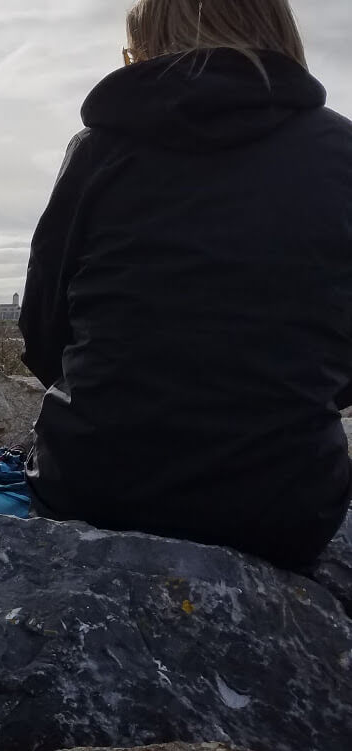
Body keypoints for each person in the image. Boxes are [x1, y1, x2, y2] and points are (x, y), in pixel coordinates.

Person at [19, 0, 352, 569]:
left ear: (148, 48)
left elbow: (44, 332)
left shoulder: (100, 150)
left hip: (93, 484)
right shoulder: (342, 153)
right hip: (285, 506)